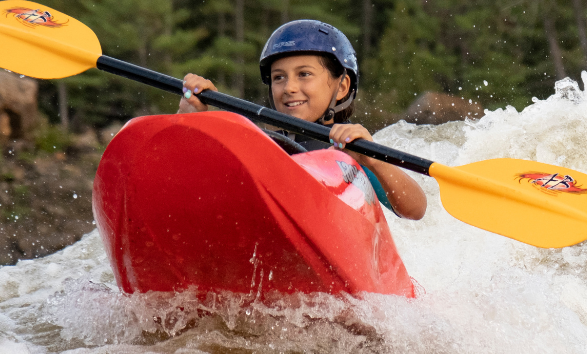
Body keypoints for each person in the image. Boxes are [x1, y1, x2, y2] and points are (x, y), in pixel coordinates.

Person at [176, 20, 427, 220]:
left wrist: (372, 160)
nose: (289, 87)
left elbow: (415, 210)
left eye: (304, 74)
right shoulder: (257, 142)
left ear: (342, 87)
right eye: (279, 77)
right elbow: (185, 178)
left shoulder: (351, 153)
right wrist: (191, 120)